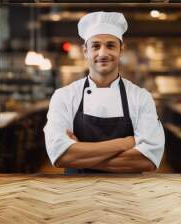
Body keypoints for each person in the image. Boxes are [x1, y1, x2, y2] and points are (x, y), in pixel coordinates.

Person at [43, 11, 165, 174]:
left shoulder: (140, 97)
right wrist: (125, 143)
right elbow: (60, 156)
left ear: (121, 50)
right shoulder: (64, 96)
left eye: (110, 45)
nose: (103, 53)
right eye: (95, 46)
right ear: (85, 51)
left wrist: (79, 156)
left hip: (127, 196)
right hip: (75, 194)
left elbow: (148, 160)